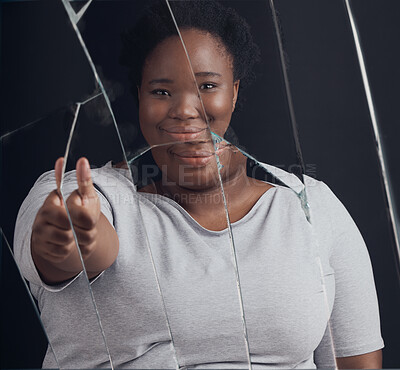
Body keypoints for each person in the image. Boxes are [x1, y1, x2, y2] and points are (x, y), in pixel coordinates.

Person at [14, 1, 384, 368]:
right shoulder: (80, 196)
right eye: (161, 92)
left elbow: (356, 360)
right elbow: (73, 252)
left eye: (207, 85)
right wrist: (78, 239)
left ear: (234, 92)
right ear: (139, 96)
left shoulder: (310, 208)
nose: (186, 110)